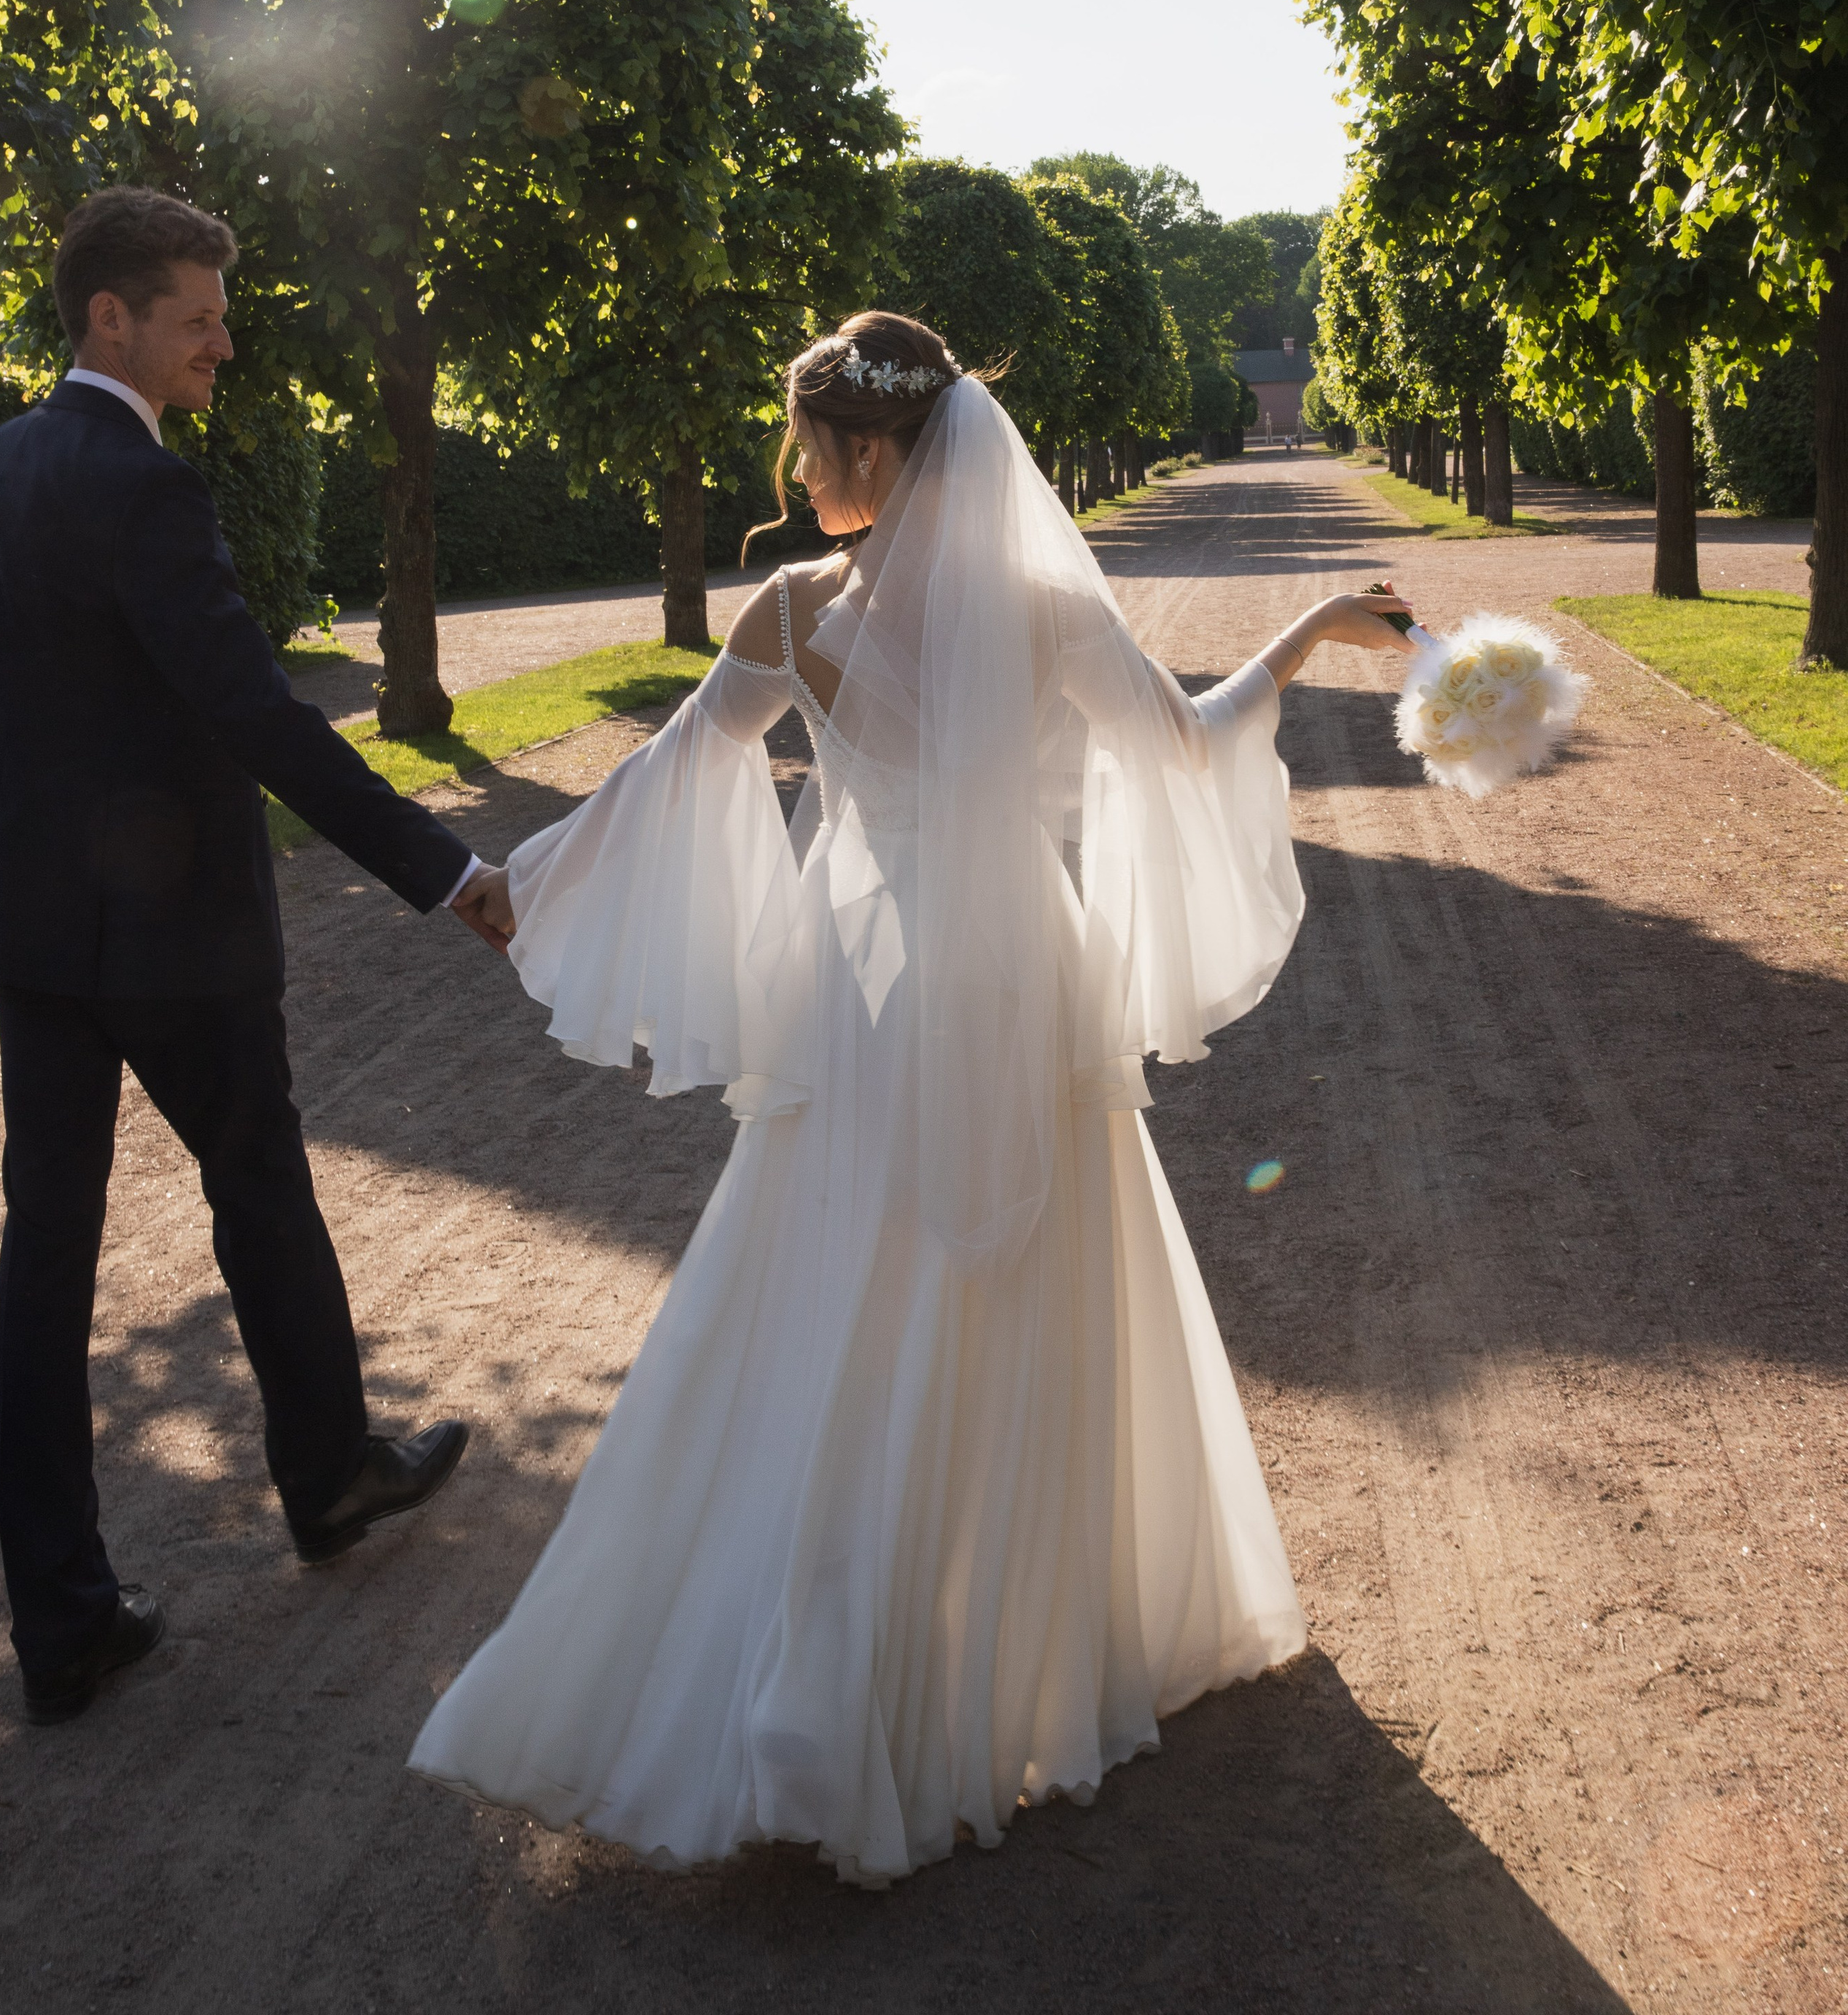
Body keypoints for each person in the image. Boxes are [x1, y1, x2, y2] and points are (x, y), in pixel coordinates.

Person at [411, 311, 1413, 1882]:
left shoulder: (795, 612)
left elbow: (672, 774)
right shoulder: (1037, 610)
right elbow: (1187, 745)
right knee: (1022, 1290)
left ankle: (827, 1672)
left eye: (805, 443)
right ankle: (1014, 1650)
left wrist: (522, 888)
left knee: (833, 1294)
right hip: (1021, 986)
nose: (794, 468)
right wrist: (1301, 631)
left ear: (865, 453)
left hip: (865, 998)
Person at [0, 185, 517, 1726]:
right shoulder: (144, 490)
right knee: (258, 1186)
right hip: (175, 928)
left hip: (34, 934)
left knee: (45, 1256)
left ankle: (66, 1620)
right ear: (112, 318)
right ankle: (330, 1473)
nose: (226, 339)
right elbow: (258, 714)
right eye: (200, 315)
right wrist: (443, 867)